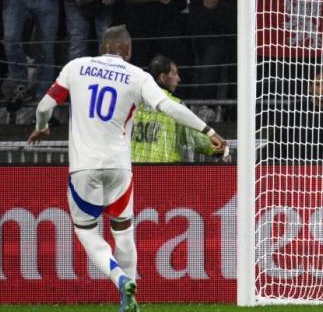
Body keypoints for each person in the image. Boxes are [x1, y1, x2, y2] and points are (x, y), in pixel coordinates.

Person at [27, 25, 227, 311]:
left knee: (86, 231)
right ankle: (129, 300)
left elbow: (45, 106)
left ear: (102, 47)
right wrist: (207, 130)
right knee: (123, 233)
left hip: (84, 167)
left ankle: (119, 278)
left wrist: (42, 128)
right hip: (120, 168)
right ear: (128, 51)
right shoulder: (138, 76)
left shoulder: (76, 67)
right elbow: (169, 107)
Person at [132, 54, 222, 162]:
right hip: (165, 172)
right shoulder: (175, 106)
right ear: (162, 78)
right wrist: (217, 147)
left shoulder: (134, 104)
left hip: (135, 171)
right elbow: (194, 136)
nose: (178, 79)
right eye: (174, 74)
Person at [189, 0, 236, 104]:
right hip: (211, 42)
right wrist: (207, 8)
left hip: (237, 40)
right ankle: (206, 107)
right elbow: (195, 30)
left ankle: (234, 110)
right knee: (211, 55)